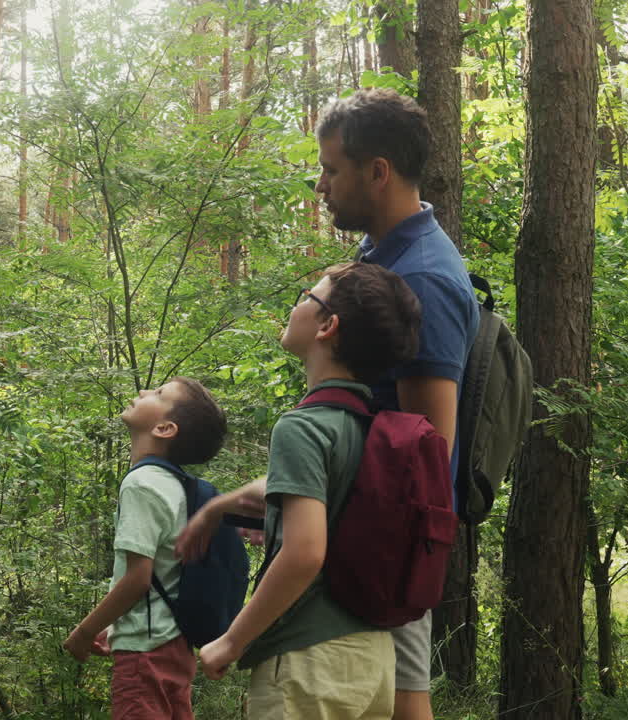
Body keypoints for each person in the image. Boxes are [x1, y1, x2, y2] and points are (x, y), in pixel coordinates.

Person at [178, 88, 479, 720]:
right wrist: (261, 505)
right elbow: (358, 439)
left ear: (378, 172)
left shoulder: (422, 275)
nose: (321, 186)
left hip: (373, 562)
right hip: (348, 560)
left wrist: (311, 524)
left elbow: (424, 462)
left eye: (331, 169)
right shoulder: (382, 258)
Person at [185, 262, 423, 720]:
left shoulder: (303, 427)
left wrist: (233, 640)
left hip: (308, 664)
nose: (296, 305)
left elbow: (306, 553)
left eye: (306, 297)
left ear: (327, 326)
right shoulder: (373, 429)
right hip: (373, 659)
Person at [63, 376, 228, 720]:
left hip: (145, 655)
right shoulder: (178, 486)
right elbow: (166, 575)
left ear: (165, 428)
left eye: (158, 393)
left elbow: (139, 579)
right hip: (175, 645)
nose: (143, 391)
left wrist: (85, 631)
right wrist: (118, 625)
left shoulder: (141, 483)